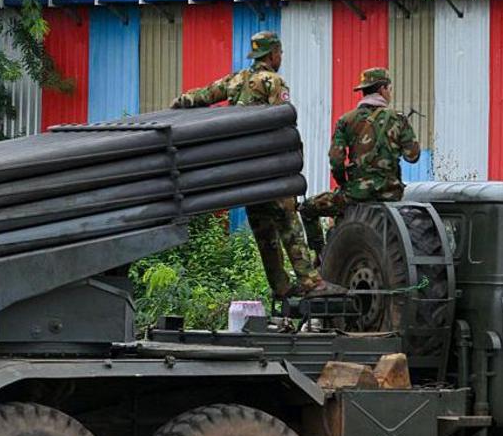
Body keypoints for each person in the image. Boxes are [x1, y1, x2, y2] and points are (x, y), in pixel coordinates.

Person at [170, 31, 345, 299]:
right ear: (273, 54)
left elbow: (202, 96)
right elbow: (284, 122)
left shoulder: (235, 80)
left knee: (264, 231)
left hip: (246, 172)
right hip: (271, 168)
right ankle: (311, 283)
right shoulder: (273, 82)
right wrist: (292, 164)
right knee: (289, 224)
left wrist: (178, 103)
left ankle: (280, 286)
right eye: (280, 53)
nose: (280, 57)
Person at [299, 67, 421, 256]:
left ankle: (321, 255)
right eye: (389, 89)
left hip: (356, 195)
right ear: (382, 89)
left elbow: (336, 160)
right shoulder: (398, 119)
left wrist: (344, 184)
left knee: (307, 208)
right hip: (391, 194)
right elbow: (412, 157)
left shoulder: (346, 120)